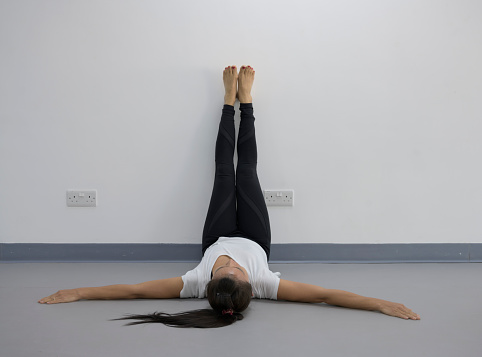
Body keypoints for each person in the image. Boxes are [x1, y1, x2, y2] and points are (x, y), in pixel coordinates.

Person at [38, 65, 421, 328]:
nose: (232, 266)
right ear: (249, 284)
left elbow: (134, 290)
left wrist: (77, 292)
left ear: (210, 282)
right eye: (235, 273)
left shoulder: (195, 281)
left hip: (216, 233)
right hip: (256, 236)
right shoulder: (265, 284)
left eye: (225, 271)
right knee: (248, 171)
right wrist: (380, 303)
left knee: (224, 172)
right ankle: (247, 101)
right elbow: (324, 295)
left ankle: (227, 100)